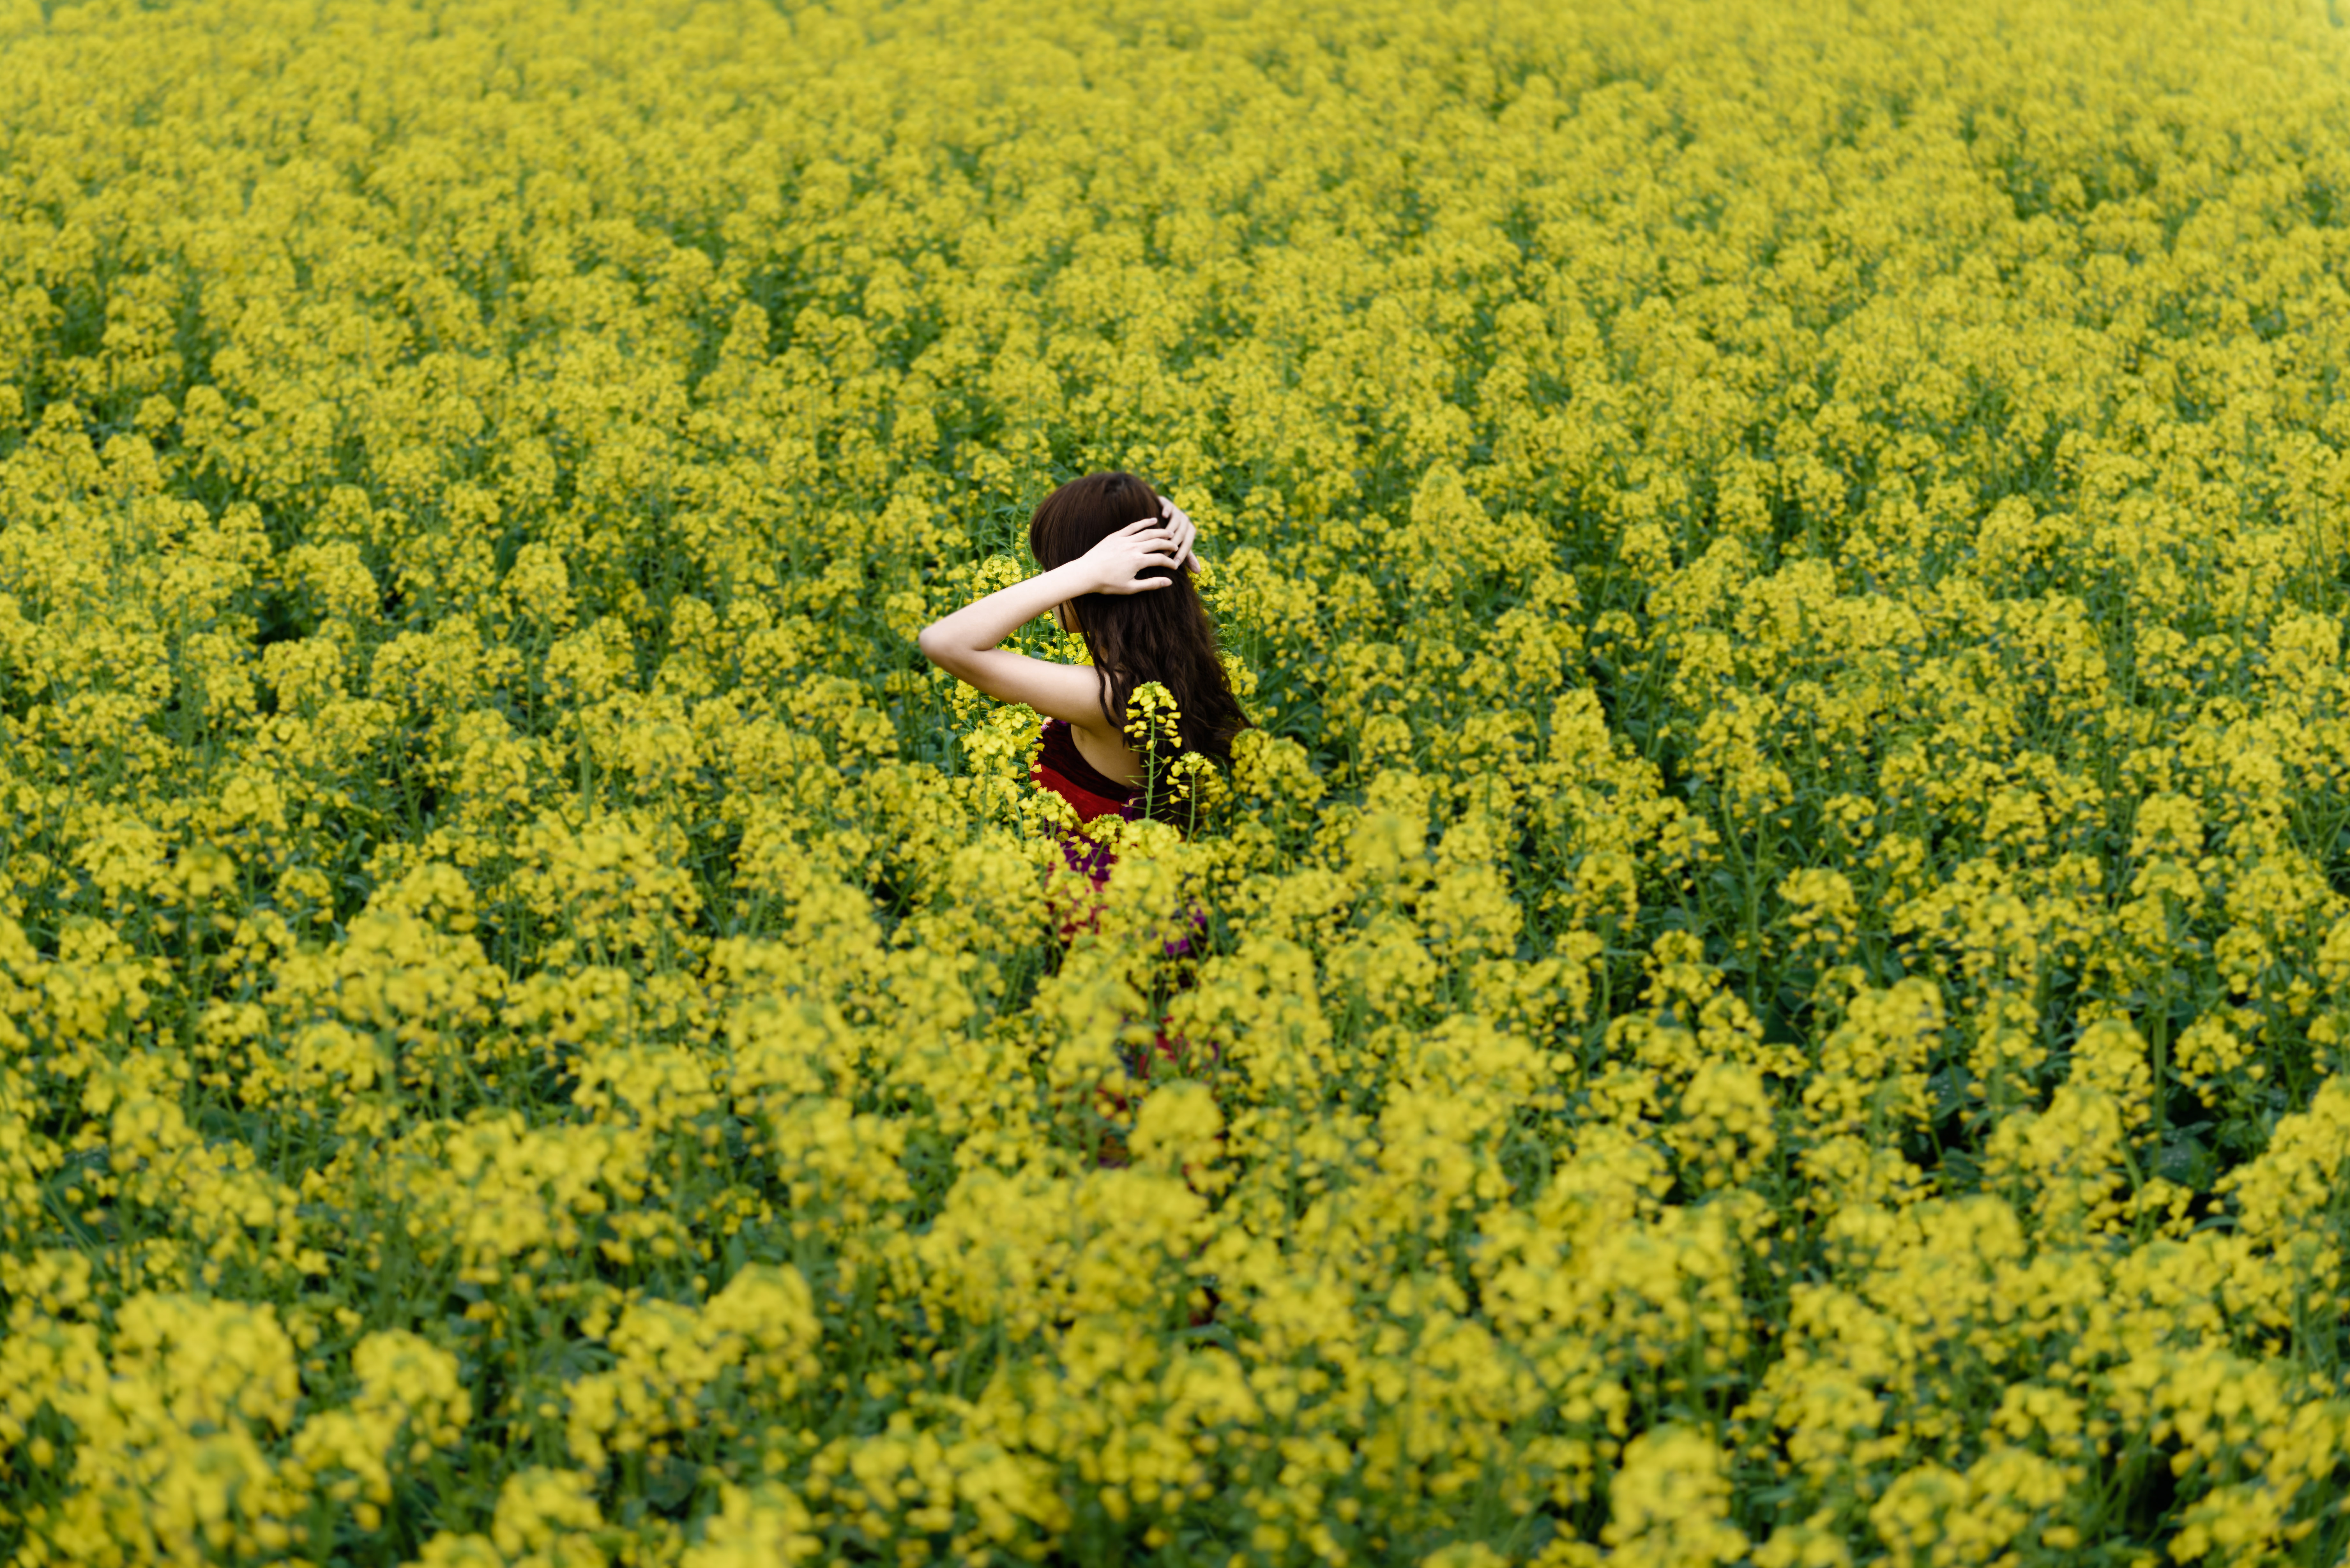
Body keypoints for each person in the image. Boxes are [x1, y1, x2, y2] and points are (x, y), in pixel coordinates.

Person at [917, 470, 1249, 836]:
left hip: (1084, 889)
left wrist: (1082, 571)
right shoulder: (1175, 665)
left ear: (1104, 581)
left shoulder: (1105, 695)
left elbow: (941, 641)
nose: (1051, 583)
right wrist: (1159, 518)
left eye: (1053, 568)